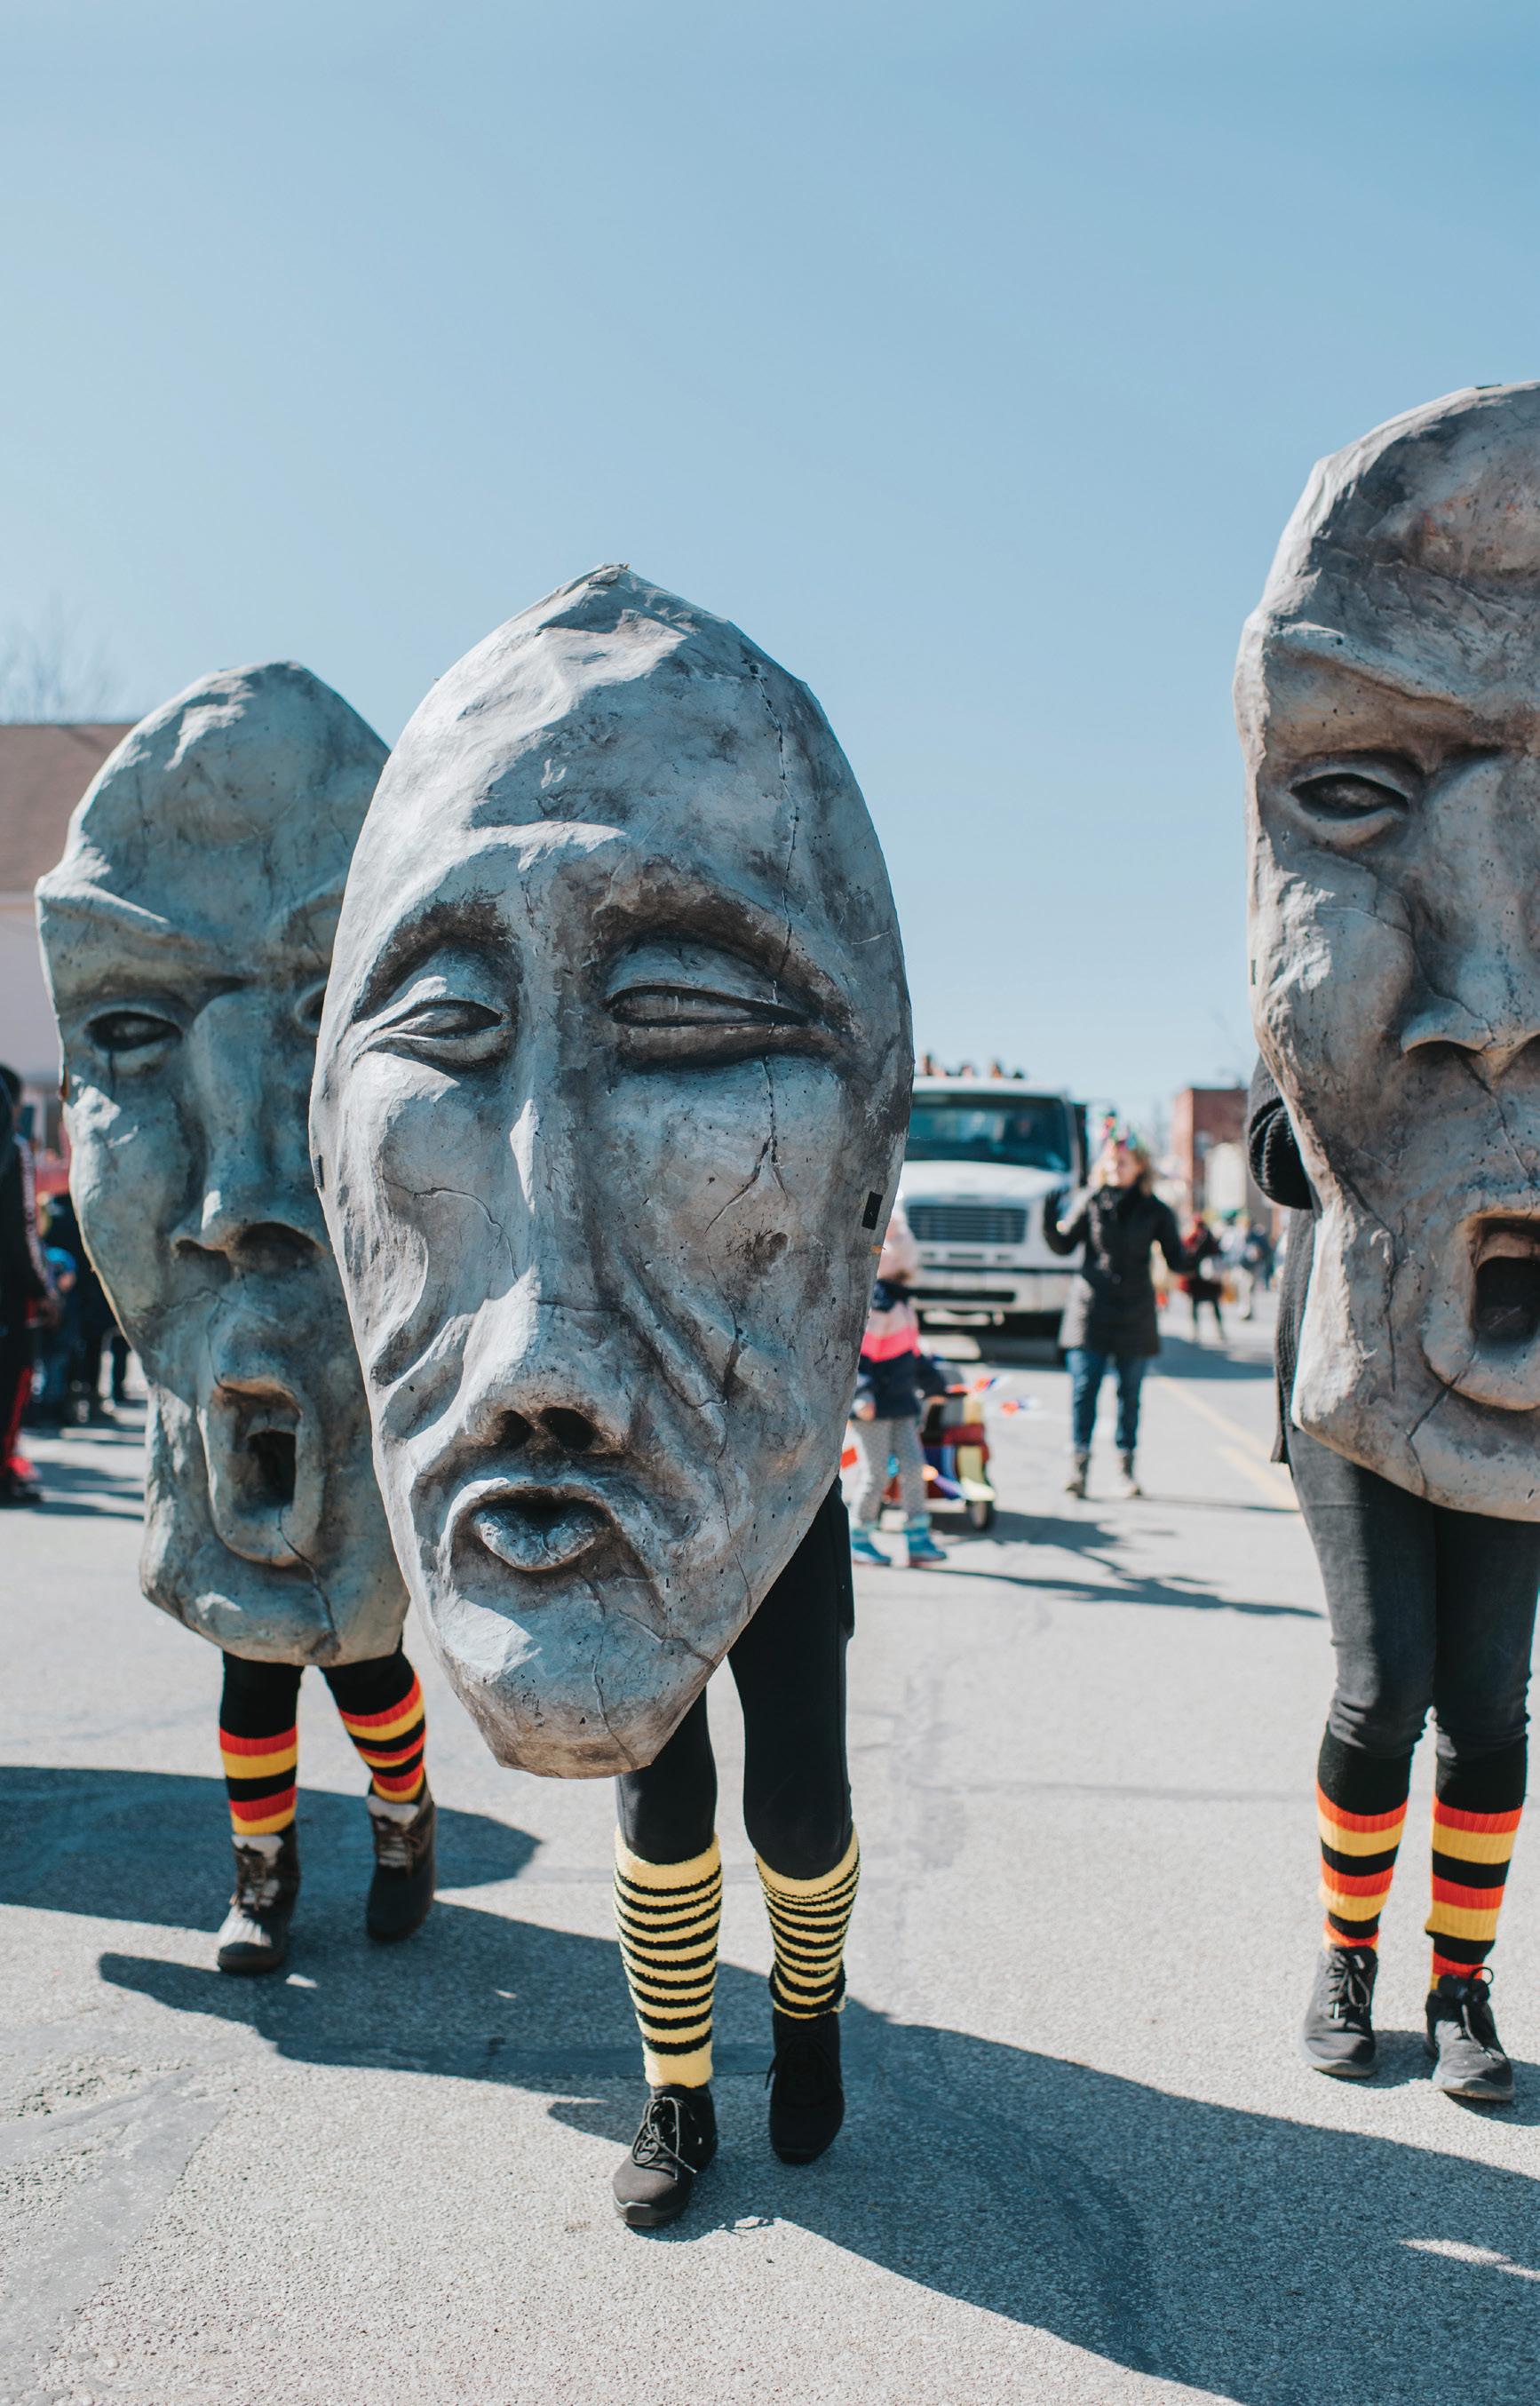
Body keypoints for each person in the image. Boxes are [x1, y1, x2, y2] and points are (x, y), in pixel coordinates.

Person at [1251, 1062, 1536, 2102]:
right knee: (1383, 1687)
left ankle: (1460, 1985)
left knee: (1488, 1703)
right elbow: (1277, 1158)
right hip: (1353, 1369)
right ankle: (1348, 1957)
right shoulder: (1345, 971)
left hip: (1512, 1370)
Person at [1044, 1131, 1192, 1500]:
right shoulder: (1091, 1200)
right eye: (1110, 1160)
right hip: (1090, 1310)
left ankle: (1126, 1471)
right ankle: (1078, 1468)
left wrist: (1200, 1253)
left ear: (1139, 1166)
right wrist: (1049, 1221)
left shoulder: (1155, 1210)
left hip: (1135, 1313)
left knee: (1130, 1395)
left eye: (1122, 1161)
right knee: (1084, 1390)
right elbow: (1064, 1245)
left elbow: (1177, 1260)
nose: (1114, 1167)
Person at [848, 1208, 949, 1568]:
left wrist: (935, 1384)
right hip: (874, 1407)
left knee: (912, 1466)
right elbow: (861, 1357)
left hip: (902, 1402)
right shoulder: (881, 1305)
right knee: (876, 1473)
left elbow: (910, 1353)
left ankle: (918, 1535)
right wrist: (862, 1394)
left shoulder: (902, 1303)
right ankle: (859, 1535)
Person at [0, 1067, 52, 1505]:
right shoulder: (13, 1152)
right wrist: (44, 1290)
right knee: (9, 1386)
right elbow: (23, 1230)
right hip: (8, 1300)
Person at [1177, 1215, 1226, 1340]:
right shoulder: (1206, 1238)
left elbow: (1187, 1255)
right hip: (1203, 1280)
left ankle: (1200, 1331)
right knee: (1209, 1305)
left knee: (1202, 1306)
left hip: (1201, 1279)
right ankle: (1206, 1331)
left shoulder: (1199, 1238)